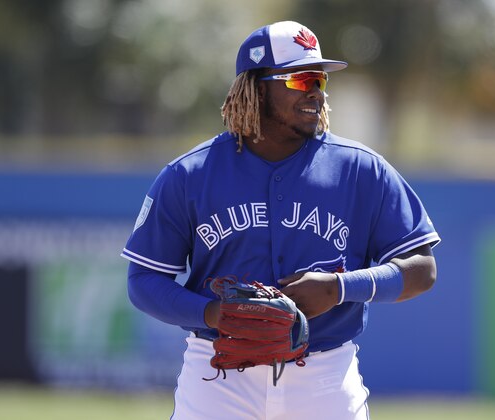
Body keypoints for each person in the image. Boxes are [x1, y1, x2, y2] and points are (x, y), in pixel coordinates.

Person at [121, 20, 440, 420]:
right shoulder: (190, 174)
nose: (315, 92)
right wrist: (213, 314)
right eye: (300, 80)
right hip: (218, 377)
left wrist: (340, 288)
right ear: (256, 87)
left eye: (320, 80)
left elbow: (422, 269)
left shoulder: (360, 169)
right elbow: (143, 281)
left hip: (324, 374)